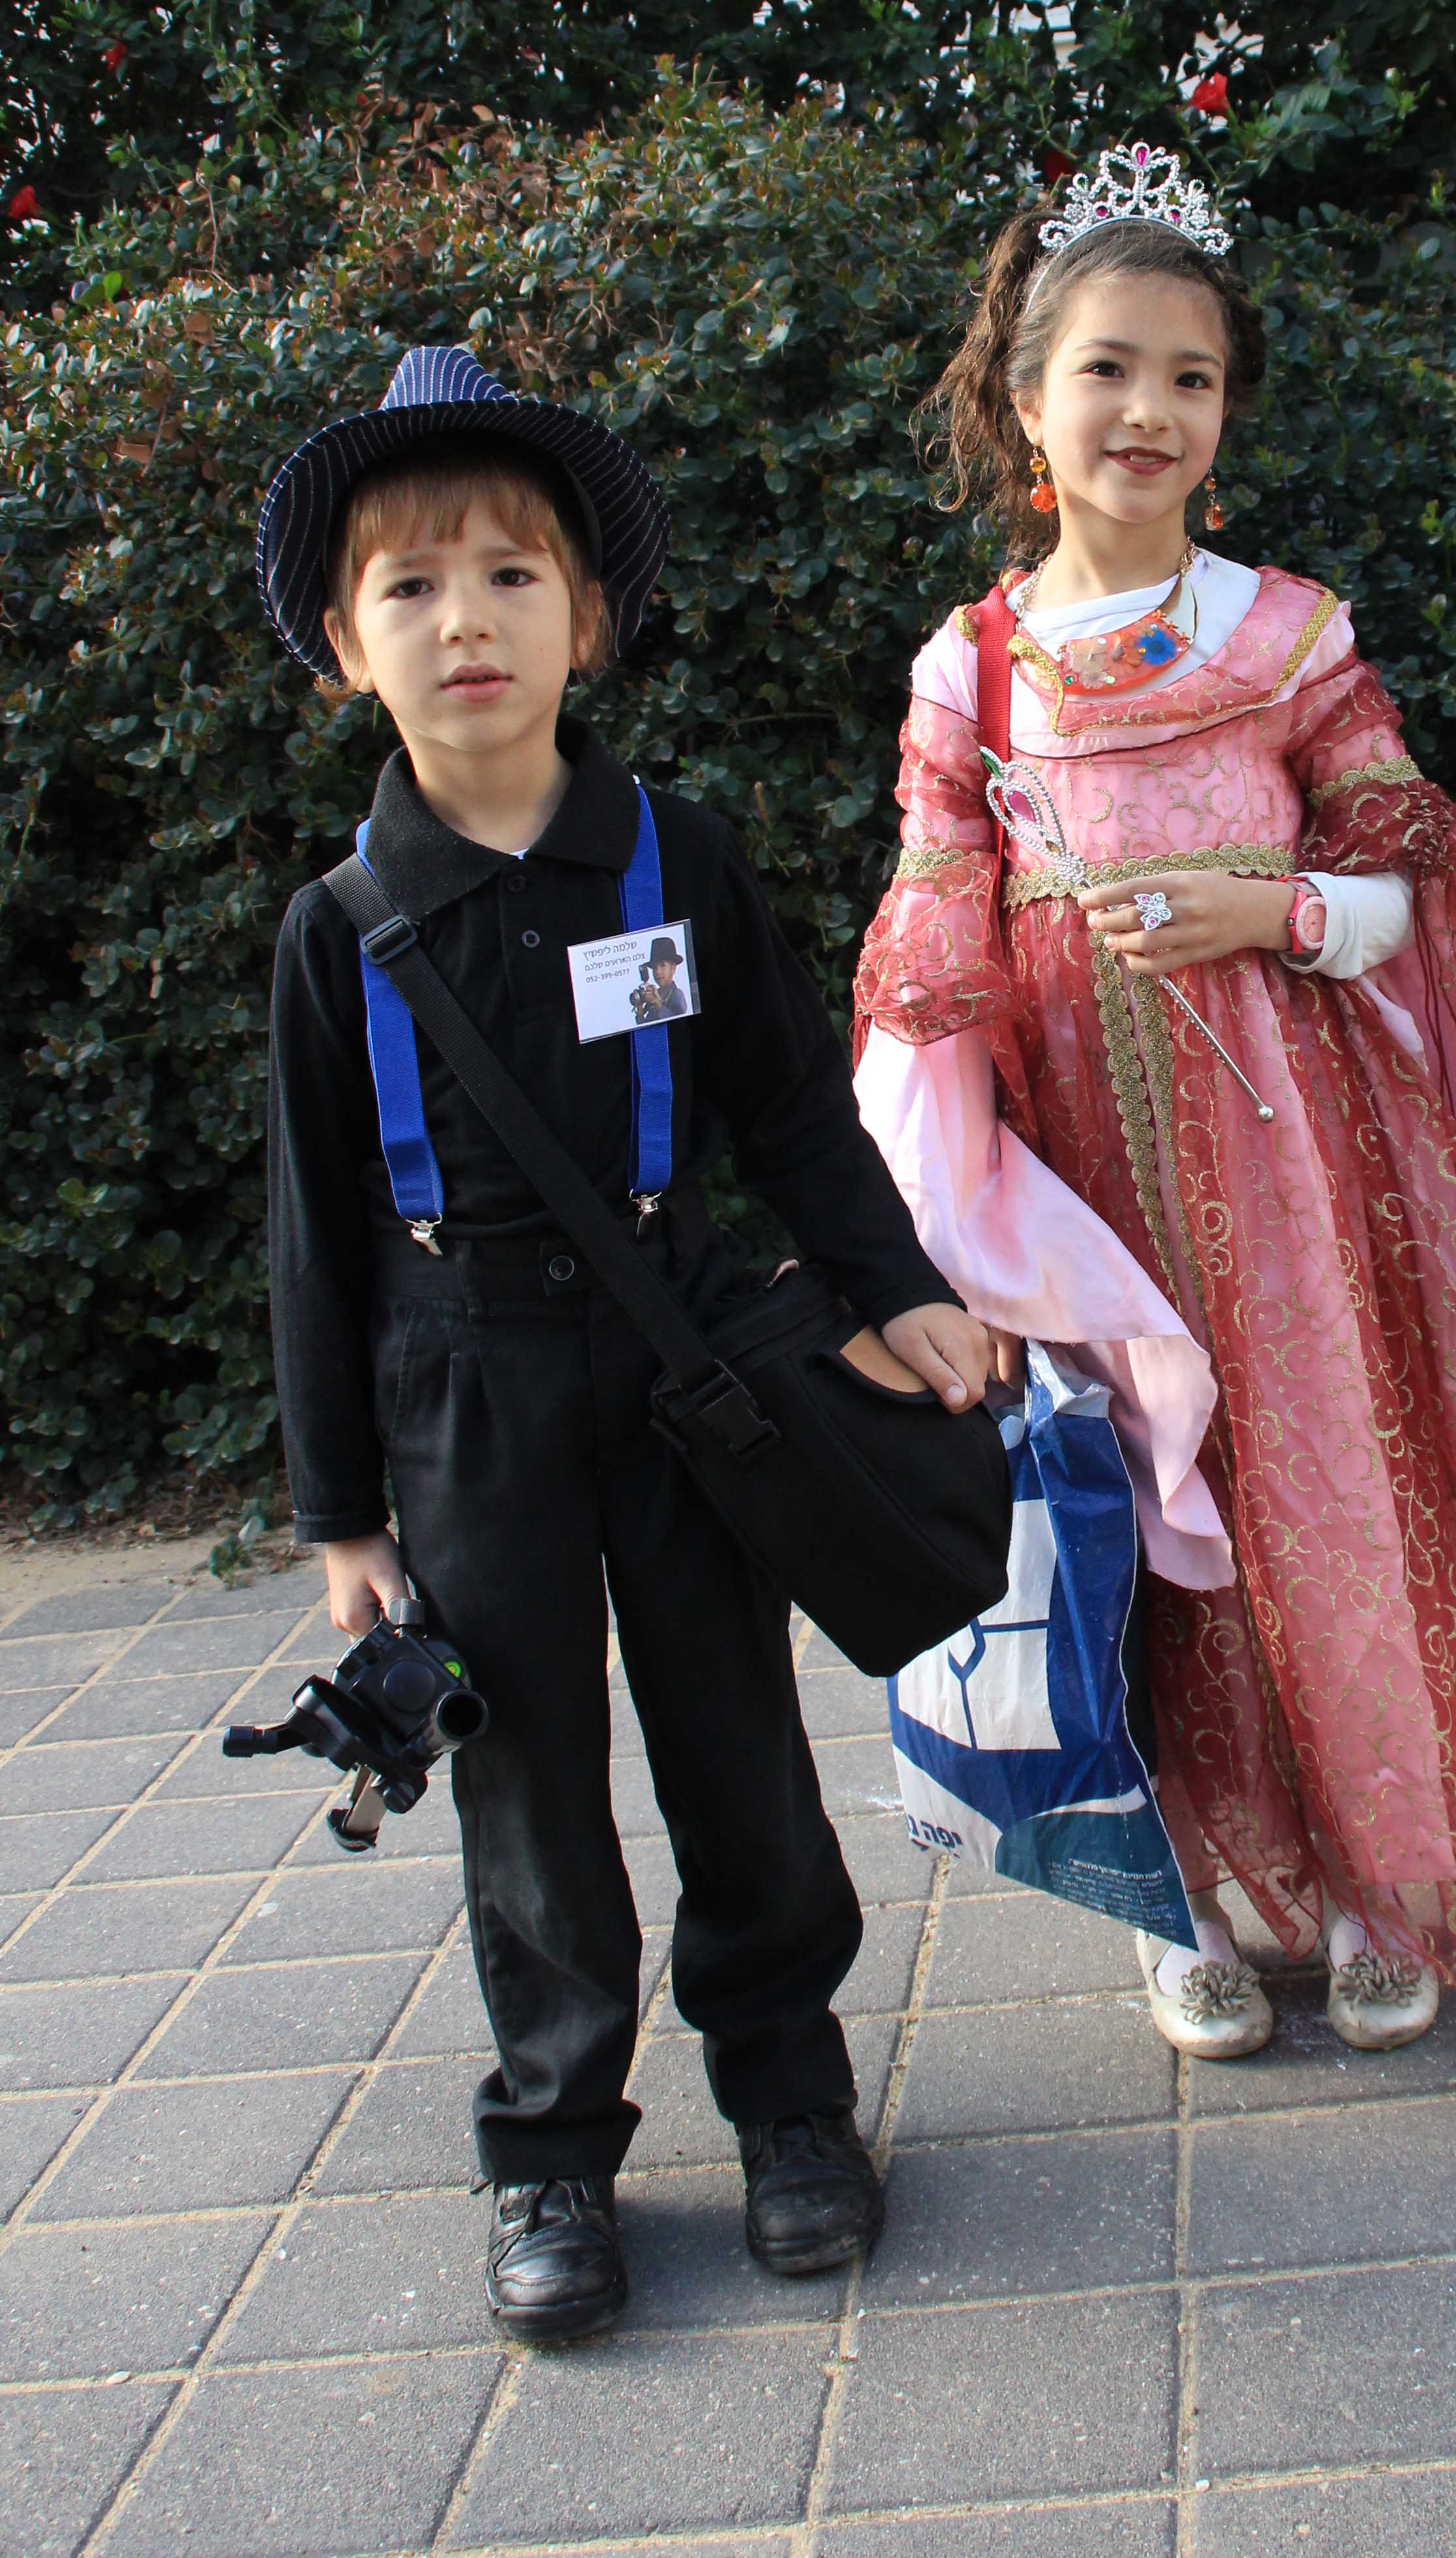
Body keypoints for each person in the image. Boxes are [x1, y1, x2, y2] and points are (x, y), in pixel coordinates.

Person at [258, 344, 990, 2341]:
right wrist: (342, 1512)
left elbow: (793, 1111)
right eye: (410, 586)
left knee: (735, 1748)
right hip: (462, 1393)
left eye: (512, 574)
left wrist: (898, 1286)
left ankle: (793, 2104)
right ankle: (554, 2153)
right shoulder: (341, 926)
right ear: (344, 649)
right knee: (526, 1788)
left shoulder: (679, 856)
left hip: (686, 1375)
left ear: (587, 618)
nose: (465, 620)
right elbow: (313, 1237)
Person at [854, 147, 1456, 2060]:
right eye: (1106, 369)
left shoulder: (1288, 636)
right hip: (1078, 1185)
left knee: (1320, 1493)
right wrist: (940, 1183)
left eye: (1191, 375)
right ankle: (1170, 1892)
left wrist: (1277, 911)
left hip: (1296, 1173)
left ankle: (1369, 1876)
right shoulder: (972, 669)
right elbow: (923, 946)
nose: (1148, 410)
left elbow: (1415, 882)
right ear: (1026, 400)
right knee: (1121, 1516)